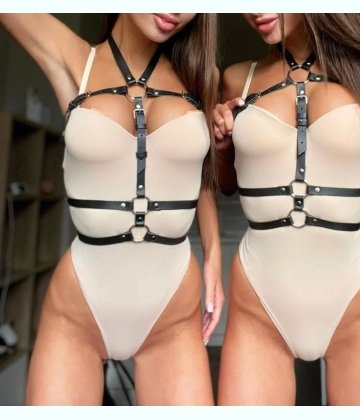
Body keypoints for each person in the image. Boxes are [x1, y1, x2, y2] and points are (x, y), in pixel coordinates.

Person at [0, 13, 223, 405]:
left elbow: (200, 173)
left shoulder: (202, 75)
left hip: (172, 313)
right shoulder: (74, 58)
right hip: (78, 310)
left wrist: (214, 255)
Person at [214, 13, 360, 405]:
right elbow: (227, 186)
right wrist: (223, 148)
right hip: (259, 301)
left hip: (353, 303)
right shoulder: (238, 78)